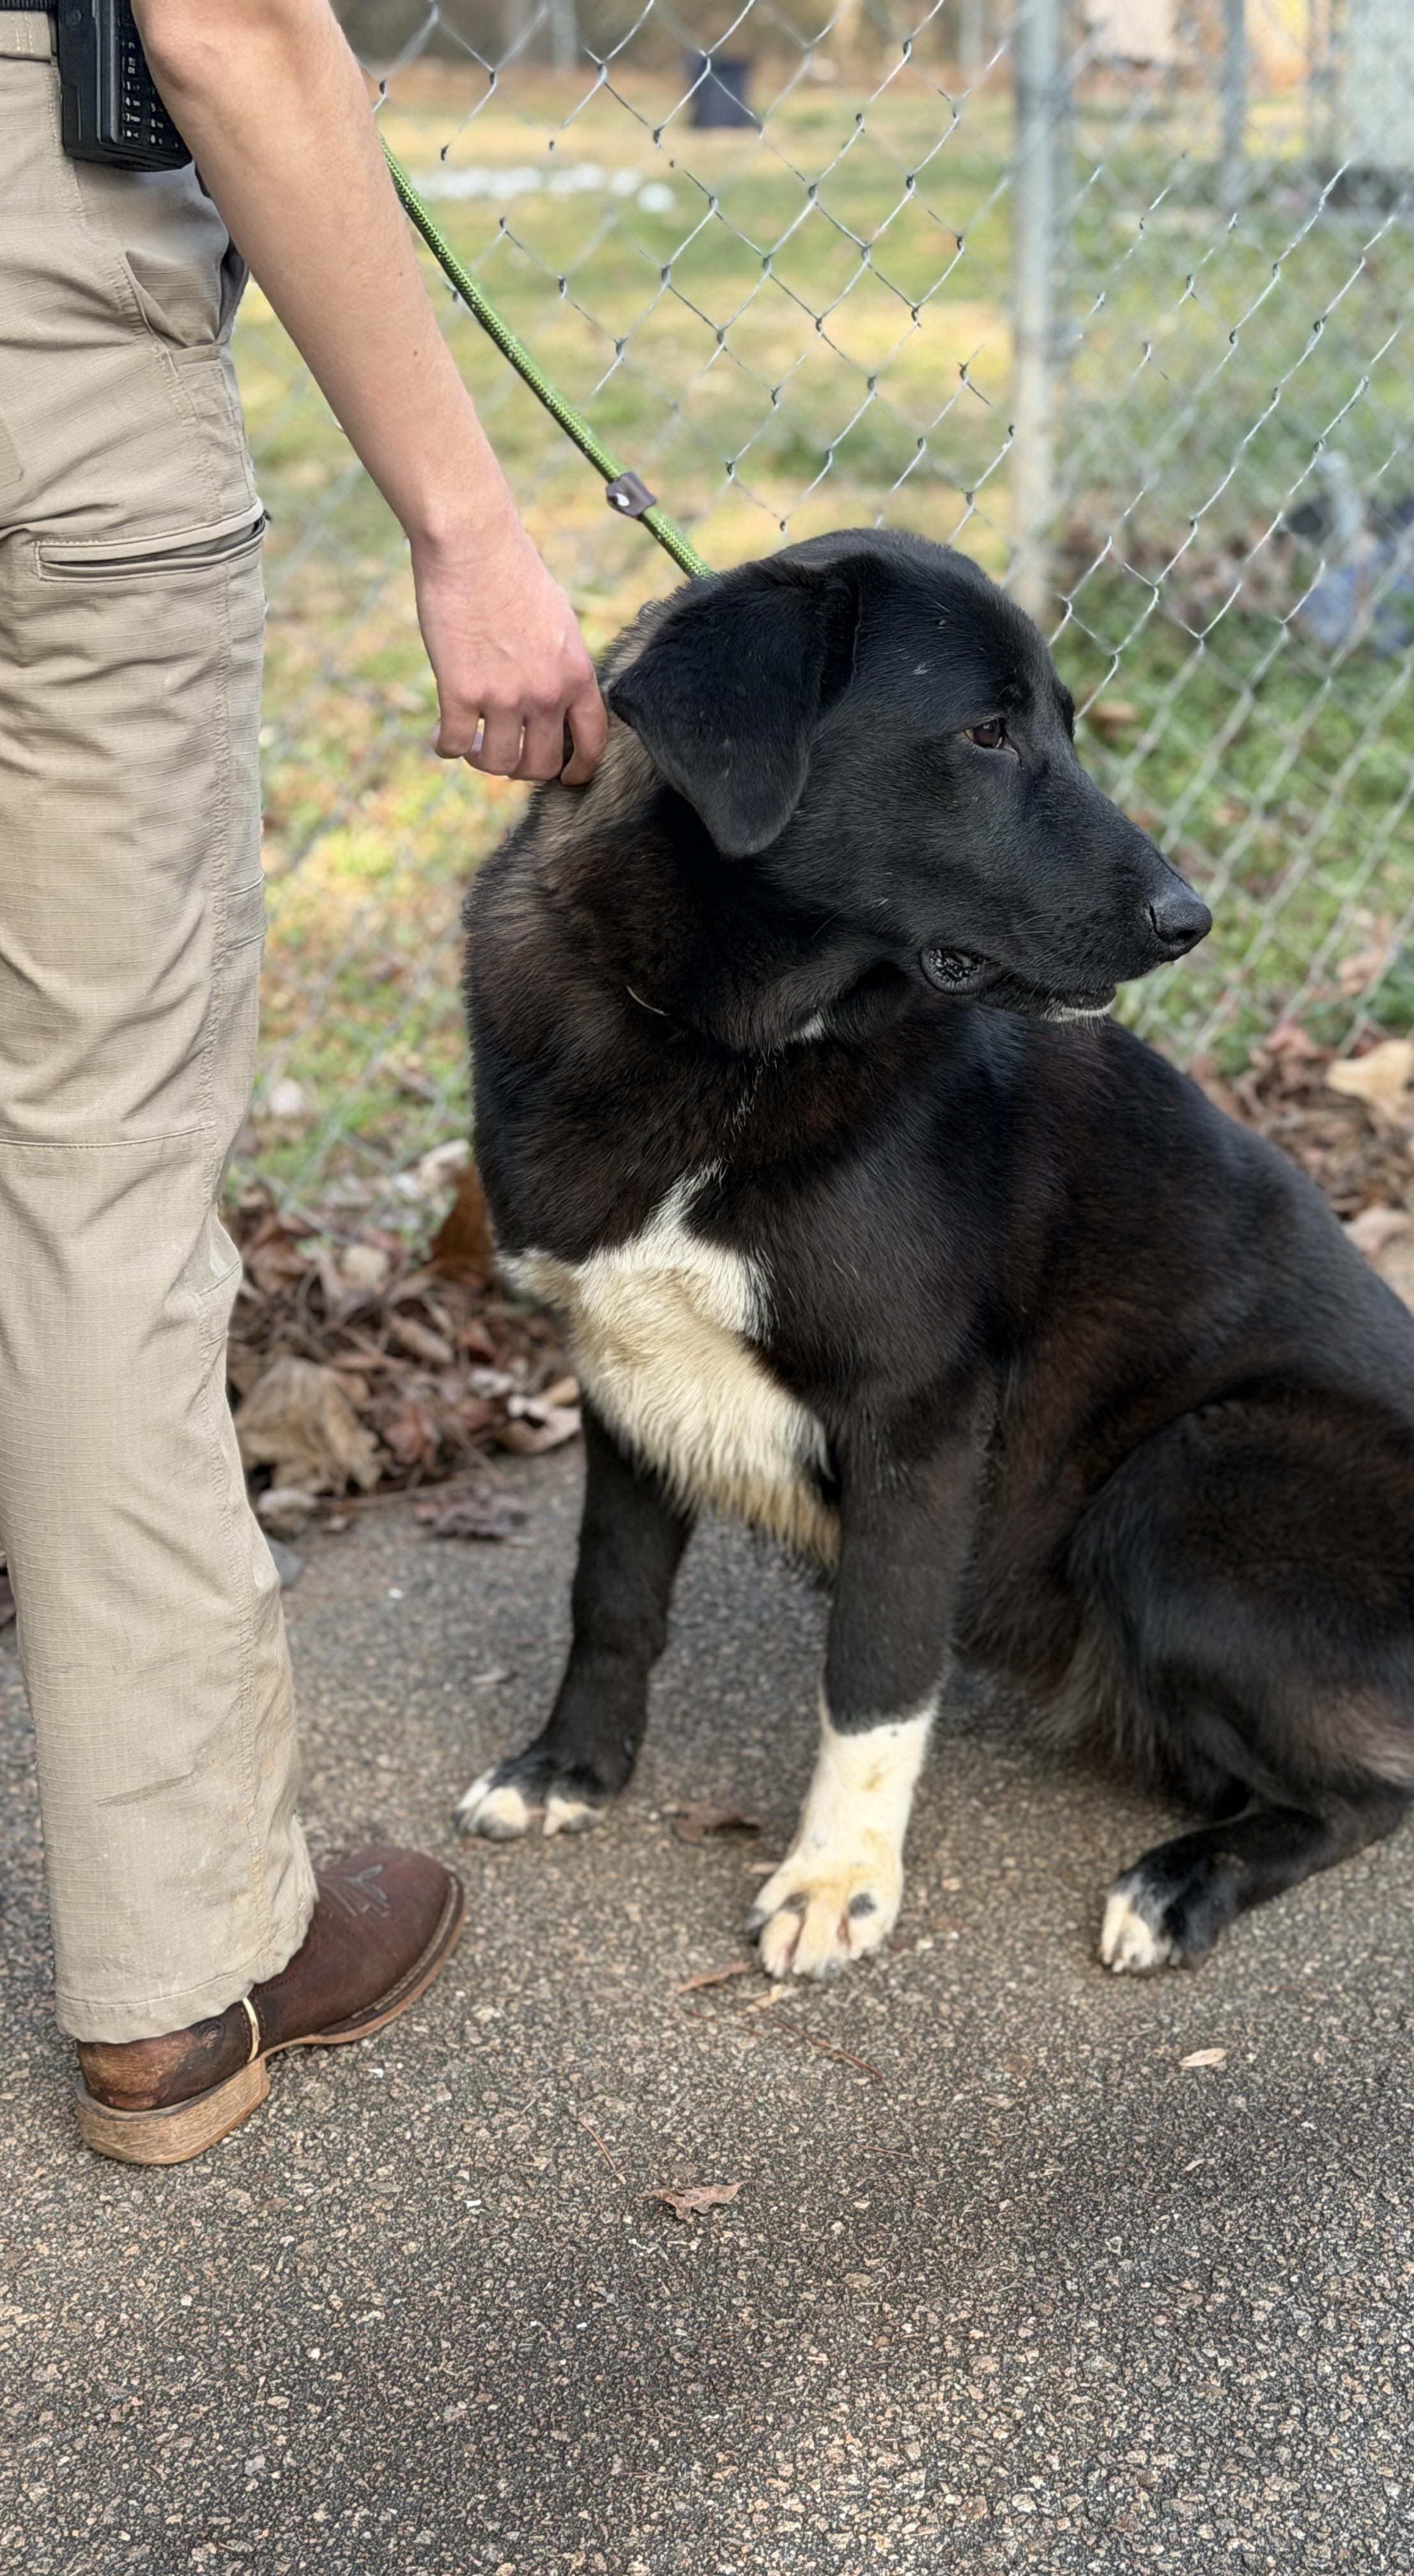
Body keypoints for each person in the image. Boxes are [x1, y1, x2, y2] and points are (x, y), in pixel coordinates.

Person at [0, 0, 608, 2164]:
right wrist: (468, 530)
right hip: (37, 331)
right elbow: (228, 24)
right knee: (86, 1171)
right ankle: (178, 1976)